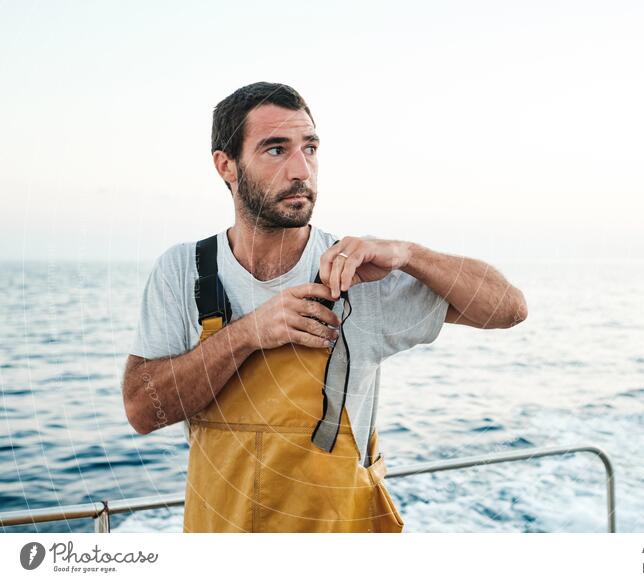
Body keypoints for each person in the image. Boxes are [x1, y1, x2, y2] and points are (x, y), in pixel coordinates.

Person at [121, 82, 528, 533]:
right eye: (276, 150)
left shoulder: (356, 269)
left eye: (310, 148)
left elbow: (509, 309)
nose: (301, 170)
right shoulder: (183, 271)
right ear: (226, 165)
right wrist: (248, 333)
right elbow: (142, 410)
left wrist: (409, 253)